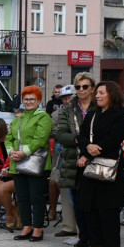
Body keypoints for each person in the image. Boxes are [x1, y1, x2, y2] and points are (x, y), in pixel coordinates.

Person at [77, 81, 124, 247]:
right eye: (97, 93)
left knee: (108, 209)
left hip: (109, 167)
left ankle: (112, 246)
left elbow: (114, 138)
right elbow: (81, 135)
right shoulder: (92, 114)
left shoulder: (120, 115)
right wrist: (87, 148)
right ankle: (95, 243)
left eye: (101, 93)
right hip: (91, 166)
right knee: (90, 207)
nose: (97, 96)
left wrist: (95, 148)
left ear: (112, 95)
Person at [5, 87, 52, 242]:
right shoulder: (18, 118)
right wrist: (11, 151)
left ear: (39, 101)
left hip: (36, 163)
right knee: (22, 197)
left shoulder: (43, 117)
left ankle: (38, 228)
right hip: (17, 163)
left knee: (36, 197)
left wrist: (23, 152)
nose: (29, 102)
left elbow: (40, 139)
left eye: (32, 99)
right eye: (26, 99)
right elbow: (9, 138)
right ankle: (27, 226)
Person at [55, 74, 96, 247]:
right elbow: (60, 134)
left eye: (85, 87)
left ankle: (96, 237)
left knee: (94, 202)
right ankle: (84, 237)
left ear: (92, 88)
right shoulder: (68, 109)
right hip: (73, 160)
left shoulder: (98, 107)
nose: (81, 90)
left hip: (96, 159)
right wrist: (79, 139)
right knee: (77, 203)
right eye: (78, 87)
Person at [50, 86, 78, 237]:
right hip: (62, 157)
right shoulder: (56, 114)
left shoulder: (82, 113)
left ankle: (81, 228)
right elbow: (53, 132)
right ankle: (68, 226)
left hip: (78, 156)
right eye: (64, 98)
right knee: (65, 192)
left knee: (79, 194)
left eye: (70, 97)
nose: (67, 100)